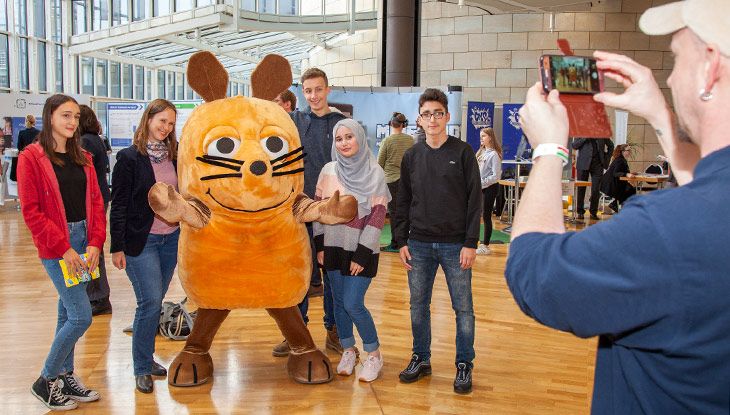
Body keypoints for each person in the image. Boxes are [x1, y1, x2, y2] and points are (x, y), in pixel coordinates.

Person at [505, 0, 730, 412]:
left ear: (710, 66)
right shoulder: (706, 213)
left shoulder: (668, 230)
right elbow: (712, 192)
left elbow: (534, 274)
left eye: (677, 58)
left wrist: (550, 149)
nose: (670, 76)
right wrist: (660, 113)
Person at [17, 94, 105, 411]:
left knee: (67, 312)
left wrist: (95, 242)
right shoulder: (31, 158)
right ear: (49, 116)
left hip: (83, 240)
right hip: (58, 244)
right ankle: (46, 379)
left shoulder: (83, 157)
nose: (72, 122)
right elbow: (32, 212)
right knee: (81, 317)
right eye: (66, 115)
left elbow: (96, 202)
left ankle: (64, 377)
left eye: (76, 117)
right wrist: (64, 248)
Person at [393, 88, 481, 394]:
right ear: (419, 119)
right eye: (427, 114)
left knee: (464, 309)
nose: (432, 119)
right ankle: (422, 358)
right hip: (417, 244)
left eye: (438, 113)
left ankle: (464, 364)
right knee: (418, 305)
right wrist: (400, 240)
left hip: (456, 245)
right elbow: (402, 200)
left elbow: (475, 201)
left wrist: (471, 242)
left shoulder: (463, 152)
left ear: (446, 117)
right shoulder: (412, 156)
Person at [272, 67, 348, 357]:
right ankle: (297, 333)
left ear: (328, 90)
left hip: (330, 210)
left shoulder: (342, 123)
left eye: (318, 89)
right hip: (299, 210)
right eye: (308, 90)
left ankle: (334, 332)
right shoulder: (292, 121)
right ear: (302, 93)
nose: (313, 95)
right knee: (300, 276)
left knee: (331, 276)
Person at [110, 99, 179, 394]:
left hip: (171, 239)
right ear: (148, 119)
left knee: (156, 301)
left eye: (171, 123)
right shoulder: (129, 158)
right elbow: (119, 205)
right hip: (142, 241)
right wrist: (117, 247)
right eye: (161, 121)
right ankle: (141, 366)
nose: (165, 128)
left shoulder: (175, 157)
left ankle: (147, 358)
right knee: (149, 302)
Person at [313, 119, 389, 382]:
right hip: (332, 249)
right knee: (337, 305)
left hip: (361, 251)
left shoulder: (375, 172)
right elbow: (318, 211)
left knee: (353, 304)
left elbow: (377, 217)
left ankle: (374, 354)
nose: (344, 143)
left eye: (349, 137)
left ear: (359, 138)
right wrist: (320, 247)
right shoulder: (328, 171)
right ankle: (348, 350)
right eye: (339, 138)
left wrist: (362, 255)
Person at [78, 105, 113, 316]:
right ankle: (96, 296)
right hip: (97, 197)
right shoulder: (95, 139)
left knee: (89, 250)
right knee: (91, 249)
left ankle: (96, 297)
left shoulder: (86, 141)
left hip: (91, 200)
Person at [377, 111, 413, 252]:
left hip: (391, 180)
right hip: (406, 181)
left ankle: (396, 243)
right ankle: (404, 241)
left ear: (391, 124)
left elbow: (380, 163)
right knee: (405, 212)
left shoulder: (387, 141)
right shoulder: (410, 140)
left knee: (394, 213)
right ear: (404, 125)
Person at [571, 136, 613, 220]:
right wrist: (585, 138)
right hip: (583, 163)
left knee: (595, 190)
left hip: (597, 164)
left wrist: (606, 158)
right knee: (581, 189)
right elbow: (575, 146)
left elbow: (611, 145)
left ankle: (593, 212)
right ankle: (580, 212)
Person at [475, 127, 502, 255]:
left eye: (484, 136)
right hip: (479, 187)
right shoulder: (481, 153)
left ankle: (485, 245)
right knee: (477, 215)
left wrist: (482, 183)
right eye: (480, 136)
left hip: (489, 188)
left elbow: (495, 176)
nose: (481, 138)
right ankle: (475, 241)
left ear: (490, 137)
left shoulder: (493, 154)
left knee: (486, 216)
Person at [600, 144, 636, 212]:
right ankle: (615, 205)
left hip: (615, 182)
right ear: (623, 151)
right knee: (630, 190)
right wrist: (626, 174)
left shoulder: (622, 160)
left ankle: (615, 204)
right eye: (628, 150)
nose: (630, 152)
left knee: (630, 190)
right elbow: (615, 173)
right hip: (610, 185)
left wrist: (630, 173)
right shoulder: (620, 160)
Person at [10, 115, 39, 182]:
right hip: (35, 158)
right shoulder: (38, 132)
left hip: (24, 158)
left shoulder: (22, 132)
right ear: (34, 122)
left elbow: (19, 147)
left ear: (26, 122)